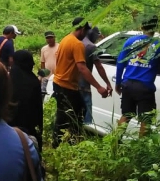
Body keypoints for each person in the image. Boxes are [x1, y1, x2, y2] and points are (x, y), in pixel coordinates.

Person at [52, 17, 111, 147]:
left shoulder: (65, 39)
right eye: (86, 30)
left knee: (72, 112)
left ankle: (68, 140)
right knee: (70, 114)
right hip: (66, 85)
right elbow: (82, 68)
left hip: (59, 82)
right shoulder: (77, 44)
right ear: (82, 29)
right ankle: (62, 143)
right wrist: (99, 87)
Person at [79, 26, 113, 125]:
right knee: (87, 111)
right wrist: (107, 84)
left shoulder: (76, 42)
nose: (96, 39)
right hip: (84, 84)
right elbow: (99, 66)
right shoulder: (90, 46)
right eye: (97, 36)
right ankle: (85, 134)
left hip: (72, 83)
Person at [9, 50, 43, 149]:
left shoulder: (8, 79)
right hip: (29, 129)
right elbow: (38, 108)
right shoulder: (33, 81)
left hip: (11, 128)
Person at [39, 30, 59, 94]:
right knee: (44, 93)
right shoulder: (44, 49)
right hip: (47, 76)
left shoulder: (60, 47)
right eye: (47, 38)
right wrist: (42, 75)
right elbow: (42, 62)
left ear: (54, 37)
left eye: (51, 37)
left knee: (56, 92)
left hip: (57, 75)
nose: (49, 39)